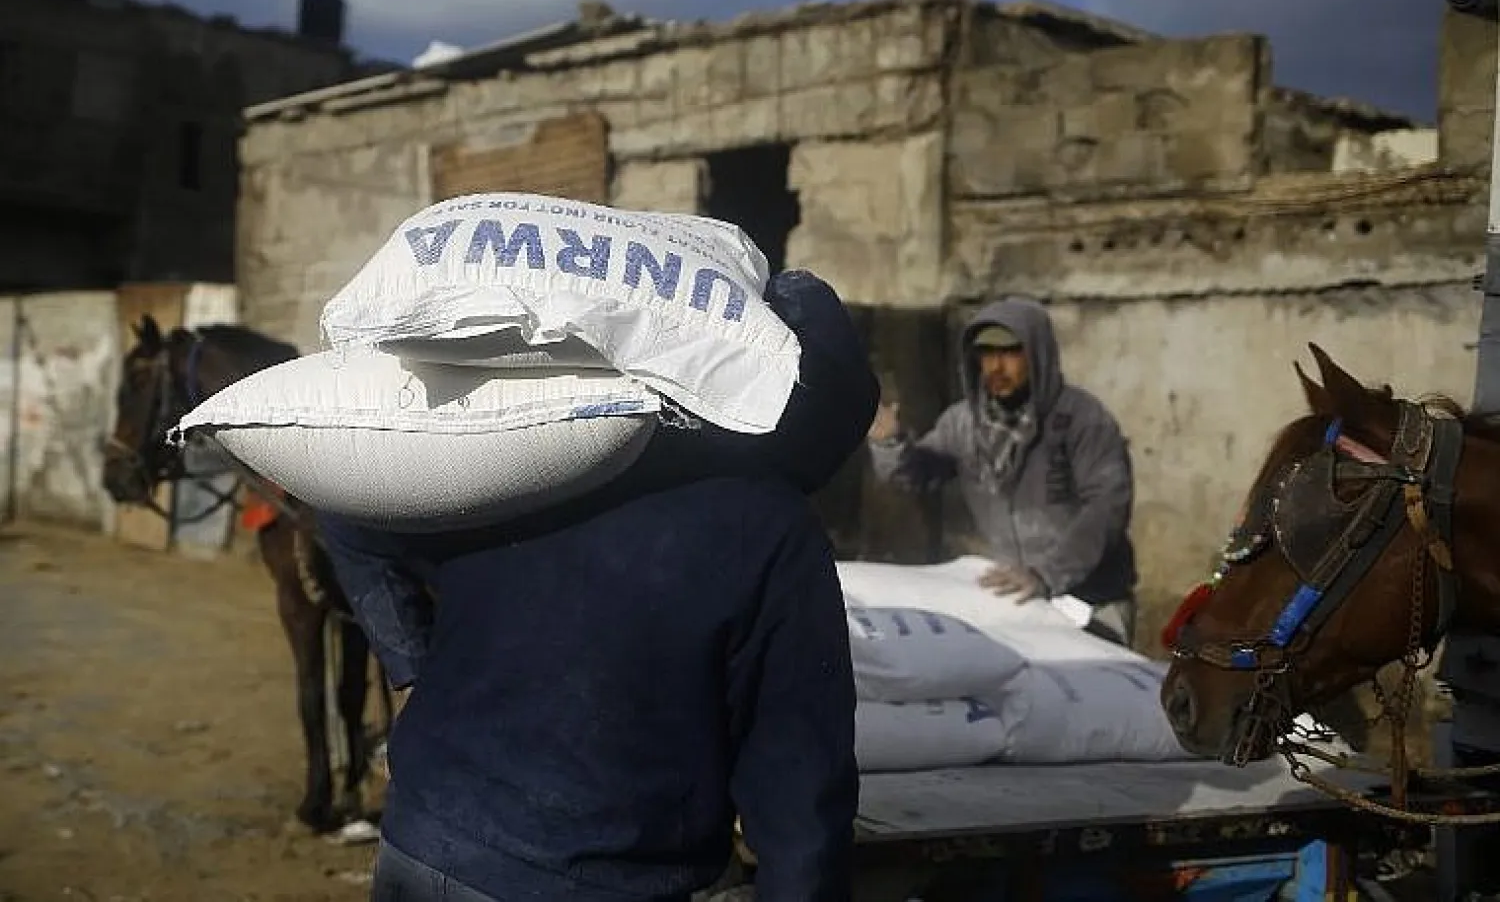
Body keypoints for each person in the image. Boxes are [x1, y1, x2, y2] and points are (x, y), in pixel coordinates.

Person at [318, 270, 878, 902]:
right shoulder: (772, 529)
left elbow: (348, 512)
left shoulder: (540, 446)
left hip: (421, 844)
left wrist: (412, 666)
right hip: (596, 875)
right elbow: (798, 780)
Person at [867, 295, 1139, 647]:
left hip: (1092, 599)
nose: (996, 366)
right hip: (1019, 598)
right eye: (986, 354)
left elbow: (1107, 507)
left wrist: (1047, 573)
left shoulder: (1082, 421)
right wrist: (890, 442)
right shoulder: (963, 424)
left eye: (1011, 353)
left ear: (1037, 355)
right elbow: (917, 474)